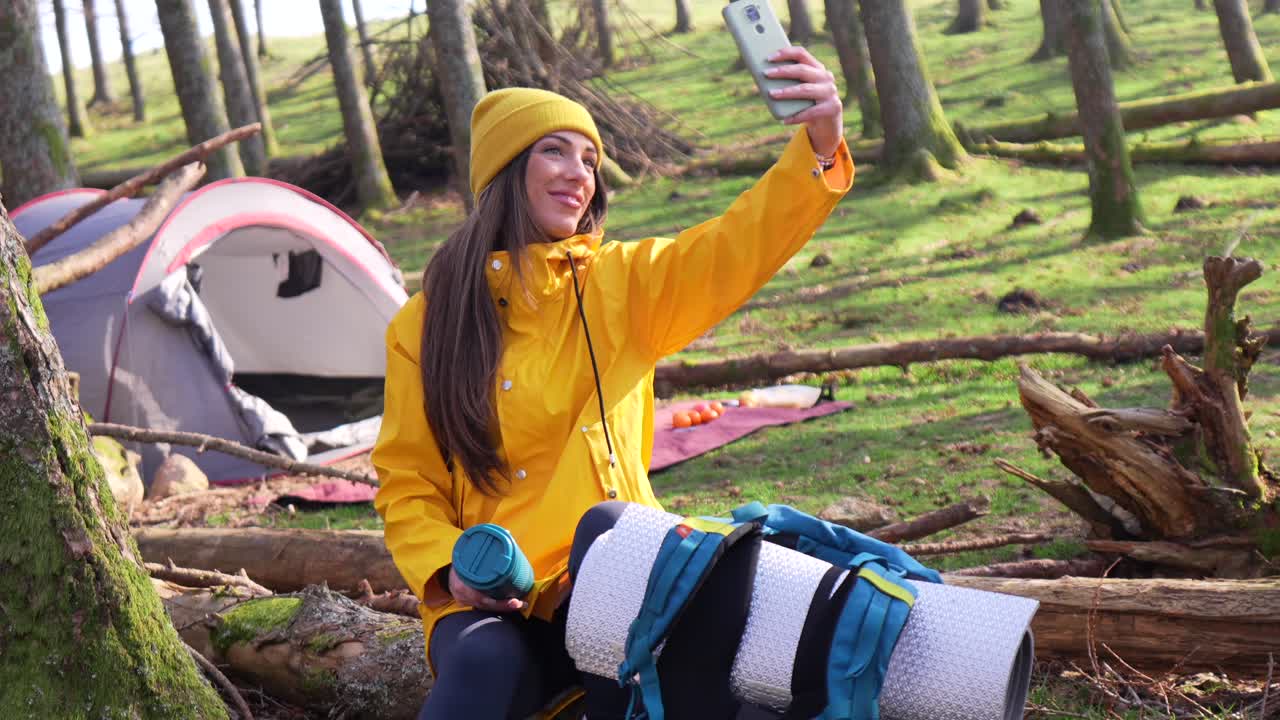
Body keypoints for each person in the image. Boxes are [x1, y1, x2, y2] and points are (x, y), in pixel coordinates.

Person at [373, 45, 853, 720]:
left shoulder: (621, 285)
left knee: (622, 612)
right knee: (483, 662)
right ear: (507, 170)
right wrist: (448, 568)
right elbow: (406, 480)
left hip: (615, 577)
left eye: (590, 160)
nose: (581, 175)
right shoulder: (426, 322)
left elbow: (734, 246)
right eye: (555, 152)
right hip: (496, 593)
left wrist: (817, 149)